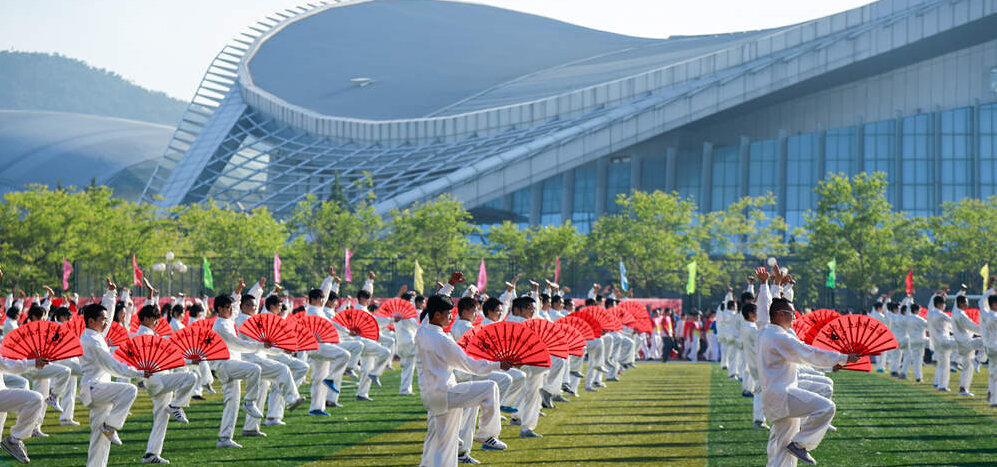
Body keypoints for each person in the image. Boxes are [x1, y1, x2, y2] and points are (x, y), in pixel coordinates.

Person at [416, 272, 509, 467]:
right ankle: (486, 434)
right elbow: (472, 366)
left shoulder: (423, 329)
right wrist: (499, 364)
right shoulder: (441, 340)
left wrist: (449, 285)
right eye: (448, 313)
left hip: (432, 395)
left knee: (441, 439)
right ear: (437, 315)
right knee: (490, 387)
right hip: (445, 393)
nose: (451, 317)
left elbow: (433, 304)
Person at [757, 298, 858, 466]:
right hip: (783, 395)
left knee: (783, 449)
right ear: (780, 314)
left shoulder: (764, 332)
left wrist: (770, 285)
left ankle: (796, 445)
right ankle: (801, 443)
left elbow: (764, 311)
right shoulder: (779, 337)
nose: (795, 318)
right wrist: (844, 357)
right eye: (792, 314)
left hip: (773, 398)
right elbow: (809, 353)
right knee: (826, 407)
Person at [79, 280, 143, 467]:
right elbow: (112, 365)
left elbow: (105, 312)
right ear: (91, 321)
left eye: (106, 319)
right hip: (95, 388)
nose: (107, 322)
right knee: (129, 390)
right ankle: (111, 425)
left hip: (100, 388)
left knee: (100, 437)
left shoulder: (95, 334)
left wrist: (111, 294)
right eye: (103, 320)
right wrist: (138, 372)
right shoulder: (92, 341)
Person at [133, 304, 197, 464]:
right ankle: (177, 405)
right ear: (146, 319)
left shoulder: (148, 333)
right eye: (154, 319)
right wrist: (189, 360)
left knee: (161, 417)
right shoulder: (145, 336)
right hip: (158, 380)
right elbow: (164, 357)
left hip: (159, 379)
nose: (156, 322)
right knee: (191, 377)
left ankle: (151, 454)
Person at [210, 294, 266, 448]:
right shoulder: (220, 325)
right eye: (227, 308)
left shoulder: (228, 320)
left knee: (232, 403)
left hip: (232, 363)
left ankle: (224, 438)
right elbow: (236, 343)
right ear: (220, 309)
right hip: (225, 364)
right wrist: (259, 346)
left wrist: (240, 291)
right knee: (255, 369)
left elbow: (237, 304)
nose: (231, 310)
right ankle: (249, 402)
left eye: (231, 307)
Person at [951, 294, 983, 396]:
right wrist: (987, 331)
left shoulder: (955, 312)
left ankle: (963, 389)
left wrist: (962, 291)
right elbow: (972, 326)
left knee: (967, 367)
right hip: (966, 343)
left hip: (962, 344)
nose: (967, 304)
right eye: (966, 302)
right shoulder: (961, 315)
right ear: (960, 303)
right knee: (987, 340)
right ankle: (978, 360)